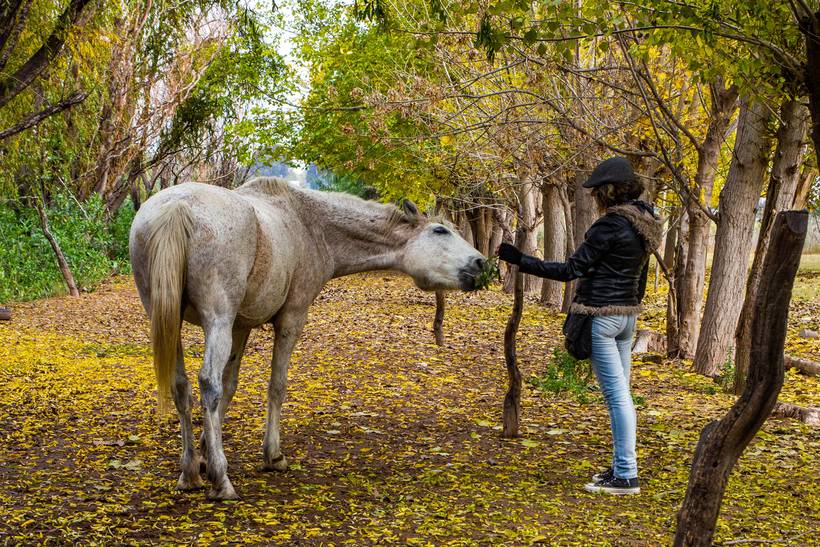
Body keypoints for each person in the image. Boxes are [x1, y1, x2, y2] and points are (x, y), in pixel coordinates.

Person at [497, 157, 662, 495]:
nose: (593, 197)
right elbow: (640, 277)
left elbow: (571, 270)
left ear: (610, 190)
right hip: (626, 317)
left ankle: (626, 475)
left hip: (601, 317)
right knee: (623, 396)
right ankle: (620, 466)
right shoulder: (644, 222)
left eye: (597, 191)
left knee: (617, 398)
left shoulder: (610, 225)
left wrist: (520, 260)